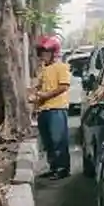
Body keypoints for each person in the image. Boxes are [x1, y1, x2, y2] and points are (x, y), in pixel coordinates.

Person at [32, 36, 72, 179]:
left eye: (46, 52)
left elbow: (64, 86)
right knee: (48, 141)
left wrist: (46, 95)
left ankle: (62, 169)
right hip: (44, 109)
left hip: (57, 109)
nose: (43, 55)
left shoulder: (61, 67)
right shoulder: (44, 69)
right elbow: (40, 86)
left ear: (53, 52)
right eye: (41, 52)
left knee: (58, 140)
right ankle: (53, 167)